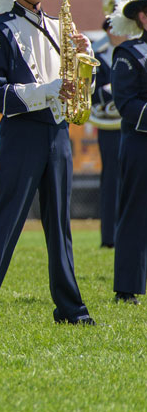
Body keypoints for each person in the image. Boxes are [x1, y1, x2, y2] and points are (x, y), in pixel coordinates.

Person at [0, 0, 94, 325]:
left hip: (57, 134)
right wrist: (48, 89)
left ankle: (71, 309)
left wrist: (88, 62)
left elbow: (76, 83)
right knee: (6, 222)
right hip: (22, 134)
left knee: (60, 226)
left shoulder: (61, 26)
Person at [109, 0, 147, 305]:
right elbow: (126, 103)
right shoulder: (128, 54)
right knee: (136, 214)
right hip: (141, 145)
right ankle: (127, 286)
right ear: (143, 17)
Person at [93, 15, 123, 248]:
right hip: (108, 126)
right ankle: (108, 237)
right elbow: (95, 93)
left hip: (132, 123)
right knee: (111, 179)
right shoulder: (99, 56)